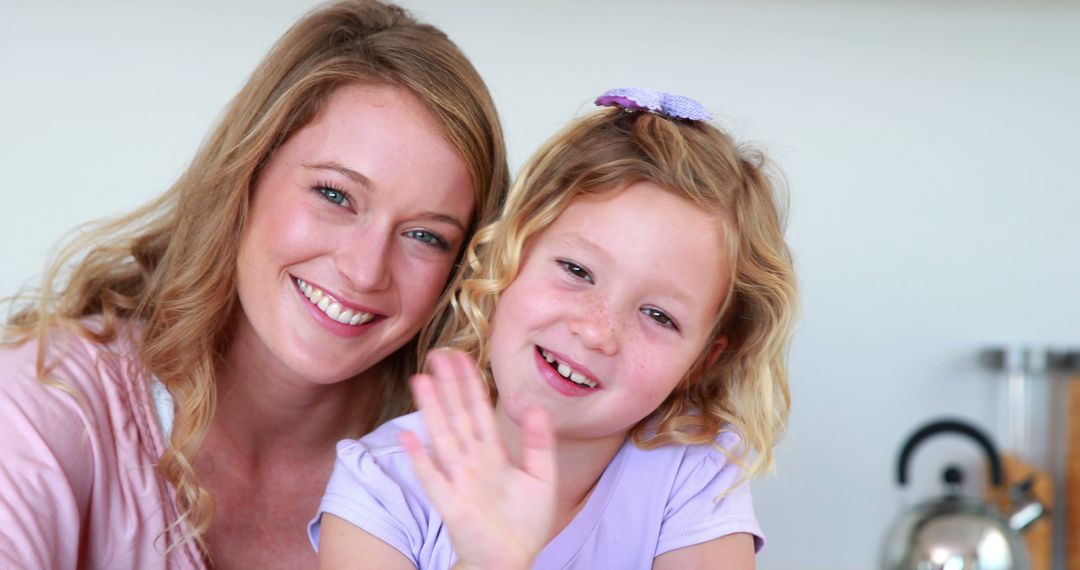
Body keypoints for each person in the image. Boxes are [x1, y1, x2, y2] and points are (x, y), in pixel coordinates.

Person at [0, 1, 509, 568]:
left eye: (424, 236)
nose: (365, 271)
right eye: (335, 196)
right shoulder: (44, 403)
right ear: (245, 176)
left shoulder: (461, 483)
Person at [311, 87, 798, 569]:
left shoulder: (691, 473)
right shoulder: (381, 484)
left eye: (658, 316)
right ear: (510, 256)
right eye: (577, 271)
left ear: (702, 361)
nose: (596, 331)